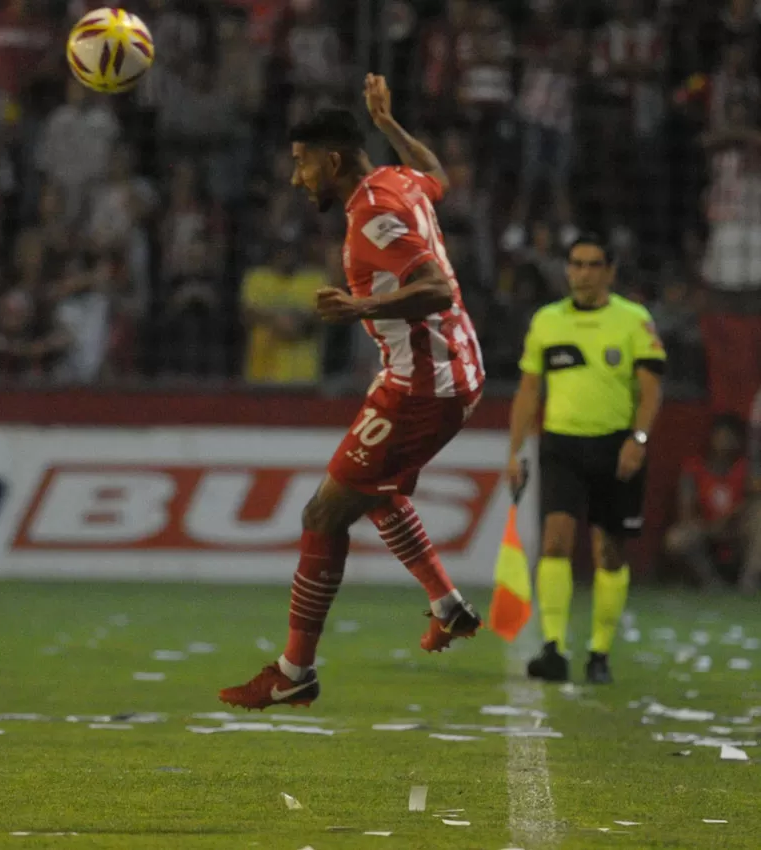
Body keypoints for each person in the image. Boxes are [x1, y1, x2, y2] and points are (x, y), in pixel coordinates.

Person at [220, 75, 486, 711]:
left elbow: (436, 289)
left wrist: (357, 305)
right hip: (436, 369)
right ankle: (447, 605)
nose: (296, 178)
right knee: (374, 489)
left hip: (424, 384)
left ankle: (295, 671)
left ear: (331, 160)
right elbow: (437, 172)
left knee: (323, 514)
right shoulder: (397, 178)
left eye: (301, 163)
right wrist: (390, 123)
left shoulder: (374, 214)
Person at [505, 233, 665, 685]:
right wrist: (515, 450)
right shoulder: (547, 321)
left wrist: (638, 438)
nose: (583, 273)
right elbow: (528, 391)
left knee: (609, 552)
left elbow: (651, 388)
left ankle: (599, 652)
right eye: (576, 264)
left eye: (594, 265)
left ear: (610, 272)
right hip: (561, 445)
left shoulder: (634, 321)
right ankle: (553, 647)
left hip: (616, 447)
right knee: (555, 541)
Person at [665, 415, 751, 589]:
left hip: (738, 531)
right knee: (676, 539)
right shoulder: (694, 468)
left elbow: (751, 503)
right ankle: (710, 582)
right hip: (705, 530)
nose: (725, 442)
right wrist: (707, 528)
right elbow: (686, 511)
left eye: (730, 437)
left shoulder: (746, 469)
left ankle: (749, 582)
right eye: (721, 436)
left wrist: (728, 522)